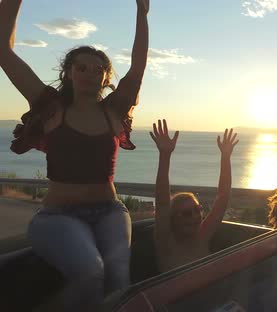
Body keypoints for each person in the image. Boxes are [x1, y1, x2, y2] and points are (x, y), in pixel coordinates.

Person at [0, 0, 149, 310]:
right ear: (68, 72)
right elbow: (4, 52)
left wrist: (142, 13)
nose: (90, 73)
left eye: (98, 69)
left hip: (110, 211)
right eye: (81, 67)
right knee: (90, 272)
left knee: (120, 280)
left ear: (106, 77)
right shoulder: (52, 107)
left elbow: (137, 67)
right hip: (57, 217)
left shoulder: (114, 110)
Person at [150, 119, 239, 273]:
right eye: (186, 214)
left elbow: (223, 197)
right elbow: (162, 202)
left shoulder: (202, 236)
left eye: (197, 210)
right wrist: (165, 155)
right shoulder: (166, 242)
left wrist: (225, 157)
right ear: (173, 218)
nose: (194, 217)